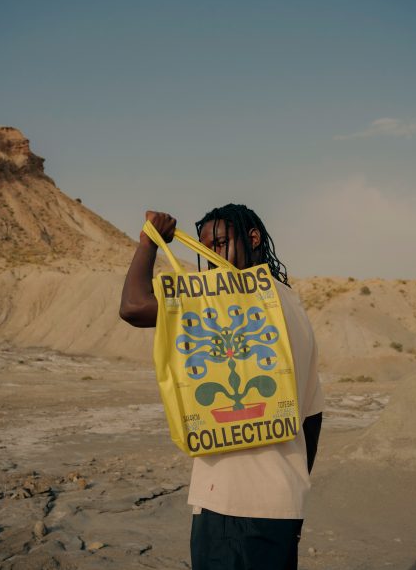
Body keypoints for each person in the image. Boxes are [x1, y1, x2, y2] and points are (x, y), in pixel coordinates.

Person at [120, 204, 323, 570]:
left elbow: (134, 306)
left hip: (230, 504)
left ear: (253, 239)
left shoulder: (222, 299)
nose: (210, 256)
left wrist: (148, 242)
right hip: (285, 503)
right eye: (204, 247)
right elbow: (312, 417)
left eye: (220, 243)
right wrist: (296, 493)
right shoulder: (293, 304)